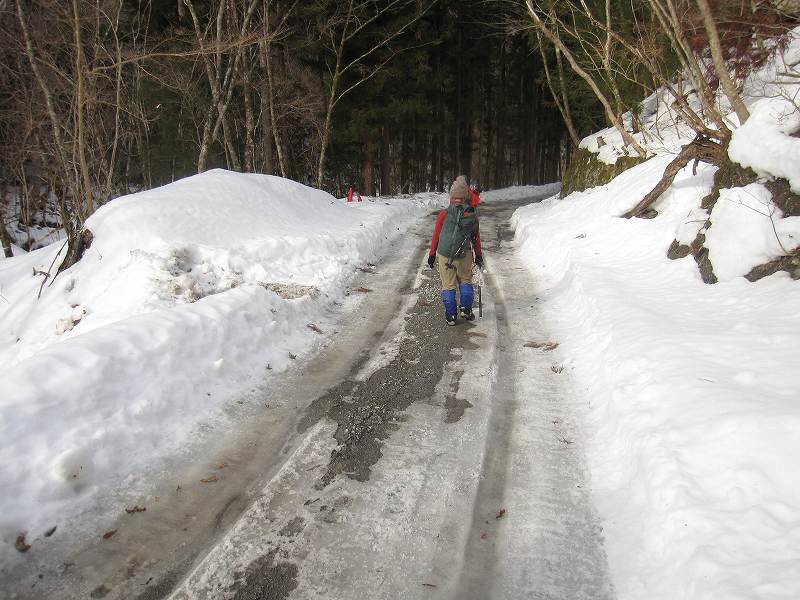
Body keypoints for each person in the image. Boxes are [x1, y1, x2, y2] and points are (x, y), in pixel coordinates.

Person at [427, 175, 484, 325]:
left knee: (448, 285)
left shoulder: (444, 214)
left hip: (445, 256)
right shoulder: (472, 215)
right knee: (465, 280)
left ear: (452, 196)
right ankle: (466, 309)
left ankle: (451, 316)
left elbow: (436, 236)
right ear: (465, 196)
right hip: (464, 254)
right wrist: (478, 256)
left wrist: (432, 254)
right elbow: (476, 239)